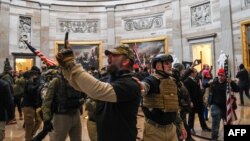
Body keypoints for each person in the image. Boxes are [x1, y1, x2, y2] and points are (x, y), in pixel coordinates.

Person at [56, 44, 141, 141]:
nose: (109, 57)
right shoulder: (112, 80)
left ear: (126, 61)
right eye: (108, 55)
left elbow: (97, 89)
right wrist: (66, 68)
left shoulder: (129, 84)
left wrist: (72, 65)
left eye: (114, 55)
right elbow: (82, 87)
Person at [138, 54, 187, 141]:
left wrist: (181, 126)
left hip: (171, 129)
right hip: (154, 131)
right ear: (158, 66)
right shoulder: (151, 80)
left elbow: (174, 107)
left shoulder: (172, 81)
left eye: (170, 63)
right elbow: (144, 86)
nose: (170, 66)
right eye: (167, 63)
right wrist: (140, 86)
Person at [41, 69, 84, 141]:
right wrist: (47, 120)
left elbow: (81, 95)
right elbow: (47, 102)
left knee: (77, 139)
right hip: (61, 116)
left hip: (76, 113)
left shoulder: (76, 80)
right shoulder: (56, 81)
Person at [207, 68, 239, 141]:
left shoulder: (228, 83)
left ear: (225, 76)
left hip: (226, 106)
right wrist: (209, 82)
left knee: (228, 122)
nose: (220, 77)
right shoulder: (214, 82)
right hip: (216, 105)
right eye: (219, 75)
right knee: (216, 121)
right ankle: (214, 138)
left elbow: (237, 89)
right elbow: (204, 85)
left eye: (222, 75)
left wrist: (232, 82)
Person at [184, 68, 211, 134]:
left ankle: (204, 127)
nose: (196, 73)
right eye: (195, 72)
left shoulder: (195, 79)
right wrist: (190, 101)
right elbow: (187, 92)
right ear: (191, 73)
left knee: (201, 114)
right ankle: (190, 128)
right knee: (191, 115)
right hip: (193, 101)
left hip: (199, 100)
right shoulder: (187, 81)